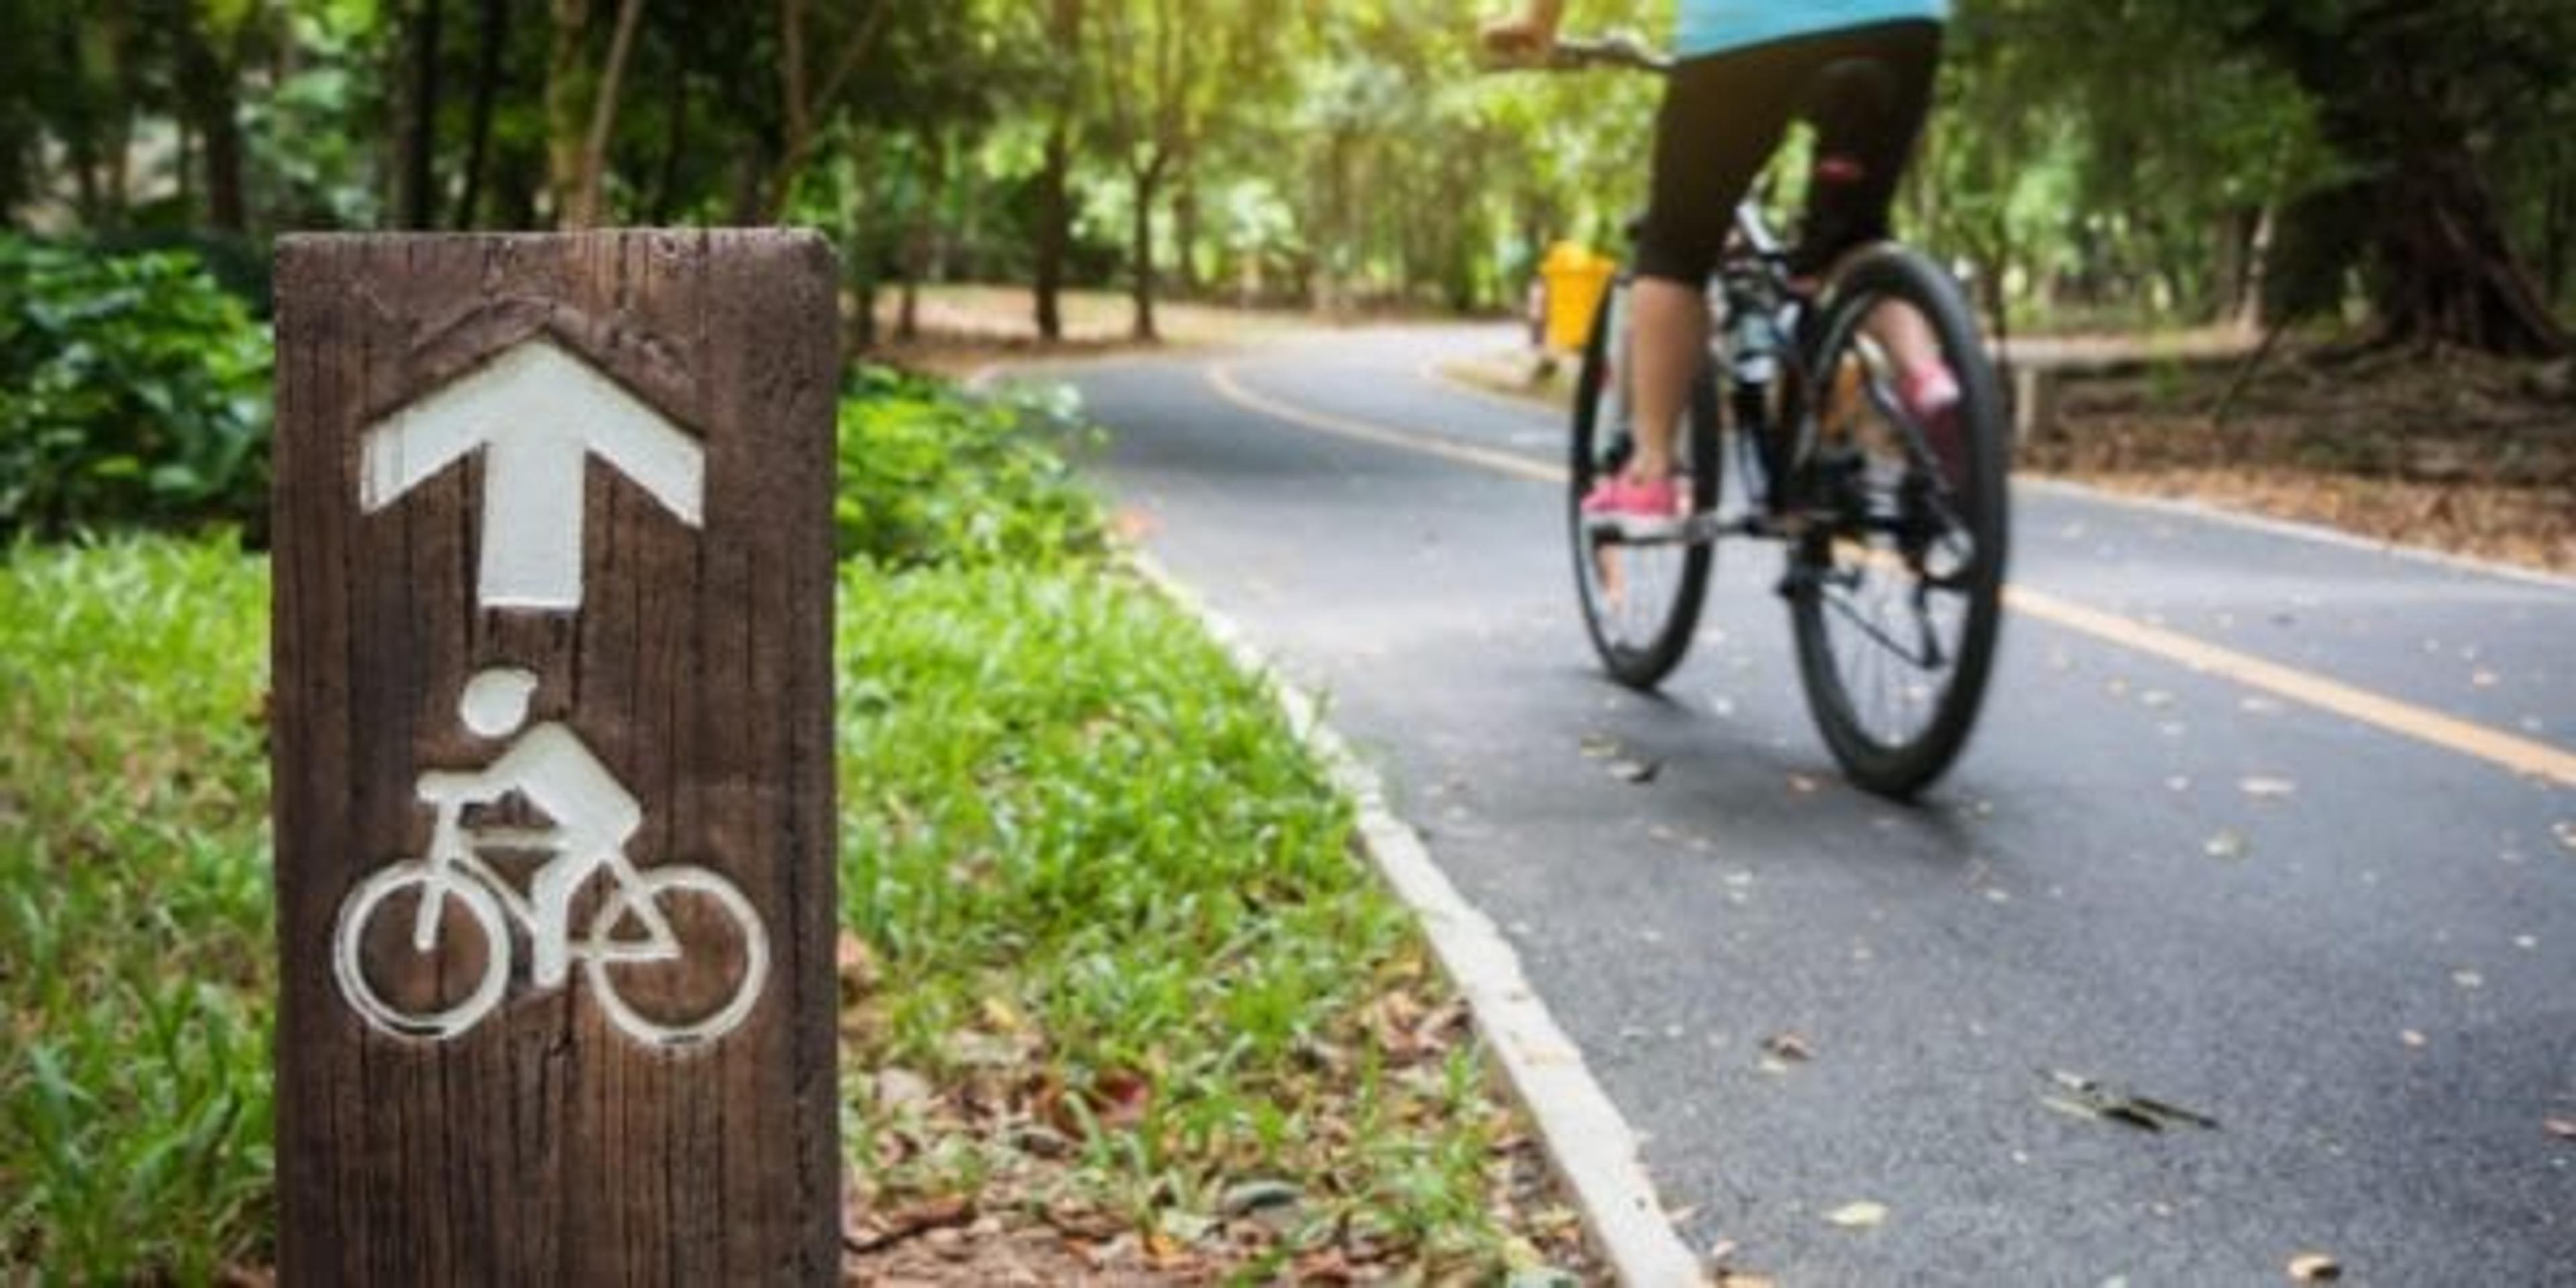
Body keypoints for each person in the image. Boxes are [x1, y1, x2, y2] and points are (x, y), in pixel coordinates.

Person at [1482, 0, 1956, 535]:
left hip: (1743, 32)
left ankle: (1651, 472)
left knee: (1676, 251)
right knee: (1854, 239)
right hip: (1900, 23)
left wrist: (1537, 23)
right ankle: (1929, 377)